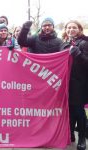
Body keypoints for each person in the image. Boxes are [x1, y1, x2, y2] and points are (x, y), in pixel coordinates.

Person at [60, 20, 88, 150]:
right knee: (69, 110)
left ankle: (82, 138)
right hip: (67, 82)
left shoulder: (84, 43)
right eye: (69, 27)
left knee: (78, 111)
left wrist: (77, 53)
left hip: (80, 84)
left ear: (79, 29)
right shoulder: (65, 43)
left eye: (74, 27)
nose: (71, 29)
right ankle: (70, 134)